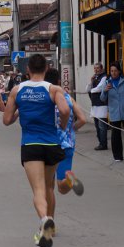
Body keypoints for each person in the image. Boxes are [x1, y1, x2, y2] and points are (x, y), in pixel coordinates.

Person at [3, 55, 70, 247]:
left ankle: (44, 220)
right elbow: (65, 110)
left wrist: (18, 112)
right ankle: (50, 225)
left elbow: (6, 120)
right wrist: (63, 125)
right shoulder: (53, 89)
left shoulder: (17, 90)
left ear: (27, 70)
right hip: (51, 143)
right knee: (49, 187)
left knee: (38, 190)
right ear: (47, 69)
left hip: (31, 144)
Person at [44, 68, 86, 198]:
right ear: (59, 81)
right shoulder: (68, 98)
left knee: (48, 185)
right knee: (62, 185)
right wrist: (71, 128)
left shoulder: (44, 99)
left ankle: (47, 213)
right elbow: (83, 119)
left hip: (48, 143)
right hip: (67, 143)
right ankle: (70, 178)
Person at [101, 62, 124, 162]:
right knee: (115, 135)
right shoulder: (107, 82)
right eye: (112, 71)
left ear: (119, 71)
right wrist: (105, 90)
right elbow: (103, 99)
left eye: (115, 71)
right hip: (114, 113)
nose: (113, 73)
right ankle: (117, 156)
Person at [87, 62, 109, 150]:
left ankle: (103, 144)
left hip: (102, 105)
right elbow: (87, 89)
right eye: (95, 68)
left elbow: (99, 88)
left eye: (97, 68)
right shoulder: (95, 78)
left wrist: (91, 90)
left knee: (102, 126)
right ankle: (100, 143)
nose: (96, 70)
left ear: (101, 68)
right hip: (94, 105)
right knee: (97, 126)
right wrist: (91, 81)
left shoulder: (104, 77)